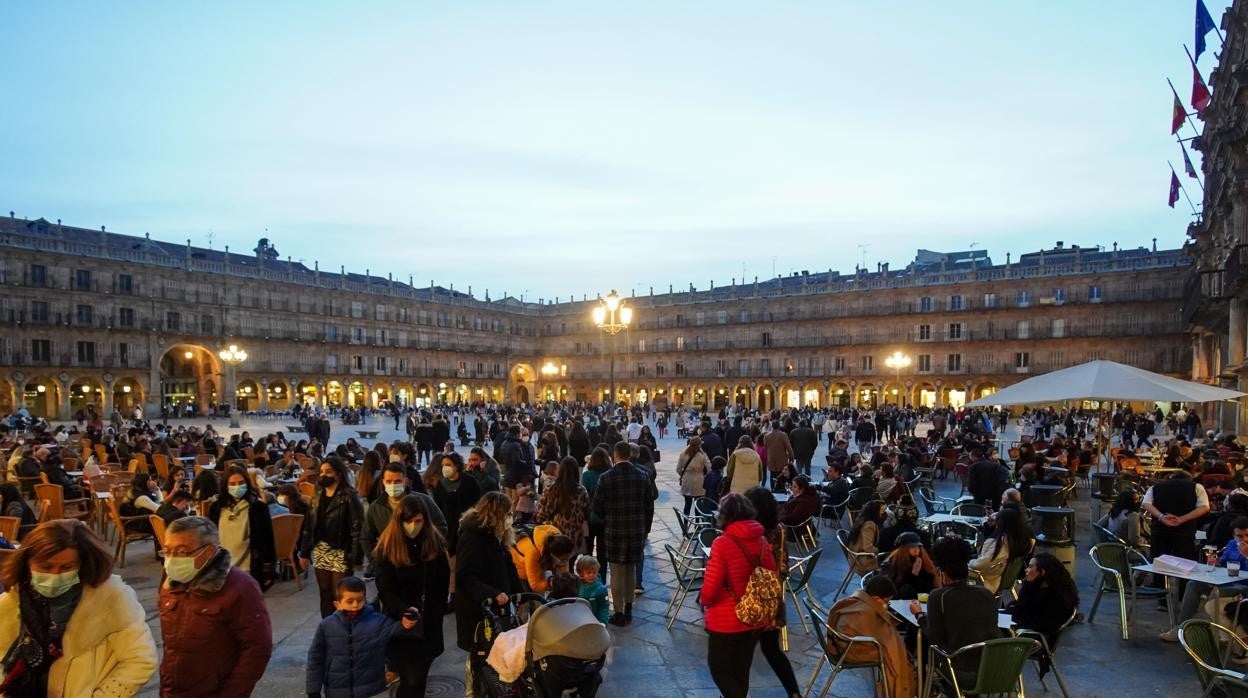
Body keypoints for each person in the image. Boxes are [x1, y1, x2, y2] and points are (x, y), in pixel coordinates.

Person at [0, 519, 157, 696]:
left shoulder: (109, 597)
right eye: (46, 567)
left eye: (67, 567)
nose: (55, 575)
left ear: (82, 565)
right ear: (27, 563)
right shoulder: (11, 602)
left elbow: (140, 660)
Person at [159, 516, 273, 697]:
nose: (171, 559)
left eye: (181, 552)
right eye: (167, 551)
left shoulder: (240, 588)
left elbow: (257, 648)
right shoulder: (171, 584)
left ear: (208, 551)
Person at [698, 493, 776, 698]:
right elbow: (772, 575)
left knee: (719, 668)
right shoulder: (761, 541)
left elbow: (711, 586)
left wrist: (704, 600)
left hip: (727, 619)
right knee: (741, 670)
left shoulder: (722, 543)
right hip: (754, 617)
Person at [373, 495, 451, 697]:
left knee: (419, 678)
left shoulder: (434, 544)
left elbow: (442, 583)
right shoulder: (387, 548)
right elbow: (384, 588)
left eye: (418, 521)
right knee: (412, 679)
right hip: (401, 623)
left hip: (428, 623)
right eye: (408, 521)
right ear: (399, 521)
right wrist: (403, 612)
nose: (413, 526)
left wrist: (438, 611)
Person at [305, 576, 420, 698]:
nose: (355, 605)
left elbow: (398, 629)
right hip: (337, 689)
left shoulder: (376, 621)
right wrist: (313, 690)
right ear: (337, 604)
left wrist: (410, 620)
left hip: (367, 688)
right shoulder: (327, 625)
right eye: (350, 601)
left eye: (360, 600)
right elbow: (315, 659)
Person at [455, 492, 522, 690]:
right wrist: (492, 593)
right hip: (477, 609)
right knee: (478, 654)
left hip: (496, 606)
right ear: (495, 513)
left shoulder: (496, 534)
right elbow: (465, 576)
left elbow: (507, 567)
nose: (511, 517)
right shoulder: (473, 537)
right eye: (508, 513)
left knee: (495, 650)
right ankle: (473, 691)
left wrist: (519, 595)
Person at [909, 536, 999, 682]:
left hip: (959, 669)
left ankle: (922, 682)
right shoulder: (986, 594)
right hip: (995, 669)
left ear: (941, 572)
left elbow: (934, 636)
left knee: (922, 640)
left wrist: (919, 614)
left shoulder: (938, 596)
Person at [743, 486, 802, 698]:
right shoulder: (780, 530)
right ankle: (794, 692)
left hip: (749, 599)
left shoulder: (749, 533)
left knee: (741, 654)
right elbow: (784, 564)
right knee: (772, 650)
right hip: (772, 597)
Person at [592, 441, 655, 626]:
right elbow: (649, 506)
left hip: (614, 530)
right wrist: (646, 529)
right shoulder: (643, 476)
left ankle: (618, 611)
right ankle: (628, 608)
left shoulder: (606, 477)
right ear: (630, 455)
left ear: (615, 455)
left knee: (617, 572)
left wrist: (609, 518)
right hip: (636, 530)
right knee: (631, 570)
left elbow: (597, 507)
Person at [1160, 516, 1248, 642]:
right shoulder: (1232, 544)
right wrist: (1216, 562)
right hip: (1225, 580)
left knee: (1215, 593)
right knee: (1193, 584)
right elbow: (1223, 562)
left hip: (1243, 586)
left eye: (1247, 535)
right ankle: (1181, 627)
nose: (1244, 539)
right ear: (1234, 535)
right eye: (1239, 536)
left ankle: (1212, 635)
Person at [826, 575, 916, 698]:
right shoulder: (866, 612)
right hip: (851, 651)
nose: (886, 605)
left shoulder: (857, 600)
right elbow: (884, 638)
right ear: (877, 599)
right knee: (896, 656)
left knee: (896, 650)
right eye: (886, 601)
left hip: (842, 645)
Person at [303, 457, 366, 617]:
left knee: (340, 592)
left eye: (328, 472)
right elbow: (309, 525)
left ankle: (344, 625)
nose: (323, 475)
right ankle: (328, 625)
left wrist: (357, 557)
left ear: (338, 474)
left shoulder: (349, 496)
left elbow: (357, 528)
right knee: (325, 592)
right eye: (322, 471)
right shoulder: (317, 495)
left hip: (340, 550)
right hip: (320, 548)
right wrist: (304, 552)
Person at [208, 464, 277, 590]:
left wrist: (268, 568)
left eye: (241, 482)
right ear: (225, 485)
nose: (237, 487)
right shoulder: (216, 508)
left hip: (249, 570)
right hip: (222, 571)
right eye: (232, 484)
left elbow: (267, 539)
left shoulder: (258, 508)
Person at [1008, 553, 1079, 676]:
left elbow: (1044, 624)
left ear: (1043, 572)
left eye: (1030, 567)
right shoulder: (1036, 587)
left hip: (1034, 639)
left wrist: (1013, 620)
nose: (1026, 570)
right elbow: (1022, 609)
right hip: (1022, 628)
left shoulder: (1056, 598)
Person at [1142, 471, 1210, 587]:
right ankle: (1182, 595)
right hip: (1184, 531)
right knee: (1185, 563)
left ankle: (1162, 597)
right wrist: (1182, 519)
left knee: (1160, 563)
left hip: (1160, 530)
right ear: (1189, 479)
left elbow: (1146, 503)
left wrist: (1162, 517)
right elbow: (1204, 507)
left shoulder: (1156, 487)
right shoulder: (1196, 487)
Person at [969, 505, 1033, 594]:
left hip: (985, 581)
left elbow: (979, 565)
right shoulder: (1020, 542)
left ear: (1002, 524)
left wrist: (968, 562)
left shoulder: (1002, 545)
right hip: (997, 578)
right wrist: (989, 529)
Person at [537, 456, 590, 552]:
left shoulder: (551, 489)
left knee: (556, 562)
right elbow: (586, 513)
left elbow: (541, 514)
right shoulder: (581, 491)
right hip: (574, 536)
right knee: (570, 561)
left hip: (555, 534)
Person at [511, 527, 574, 594]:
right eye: (563, 560)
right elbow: (535, 585)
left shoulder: (558, 540)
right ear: (552, 555)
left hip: (541, 559)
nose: (566, 562)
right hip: (519, 567)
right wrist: (551, 583)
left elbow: (563, 566)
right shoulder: (532, 553)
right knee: (532, 596)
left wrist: (565, 578)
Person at [880, 531, 936, 599]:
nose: (916, 549)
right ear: (903, 549)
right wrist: (913, 574)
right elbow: (890, 587)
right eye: (912, 547)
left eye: (918, 547)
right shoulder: (890, 564)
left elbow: (930, 585)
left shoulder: (923, 561)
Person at [581, 447, 611, 570]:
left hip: (589, 517)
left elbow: (584, 496)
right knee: (602, 552)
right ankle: (602, 578)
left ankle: (587, 576)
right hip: (606, 517)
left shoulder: (587, 475)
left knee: (587, 550)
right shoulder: (609, 475)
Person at [848, 500, 887, 575]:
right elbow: (868, 547)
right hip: (862, 561)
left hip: (855, 556)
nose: (884, 513)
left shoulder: (862, 519)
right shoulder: (869, 525)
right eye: (882, 511)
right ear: (875, 512)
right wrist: (879, 550)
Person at [677, 437, 710, 515]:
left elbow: (678, 469)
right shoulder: (702, 455)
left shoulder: (683, 454)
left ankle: (685, 523)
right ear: (699, 445)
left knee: (687, 504)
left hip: (687, 479)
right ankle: (697, 524)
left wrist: (683, 475)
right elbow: (709, 468)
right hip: (699, 479)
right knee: (698, 504)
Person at [575, 554, 610, 625]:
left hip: (595, 621)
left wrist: (603, 622)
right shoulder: (576, 585)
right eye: (588, 573)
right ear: (581, 574)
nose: (592, 575)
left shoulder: (601, 590)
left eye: (594, 572)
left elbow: (604, 607)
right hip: (579, 620)